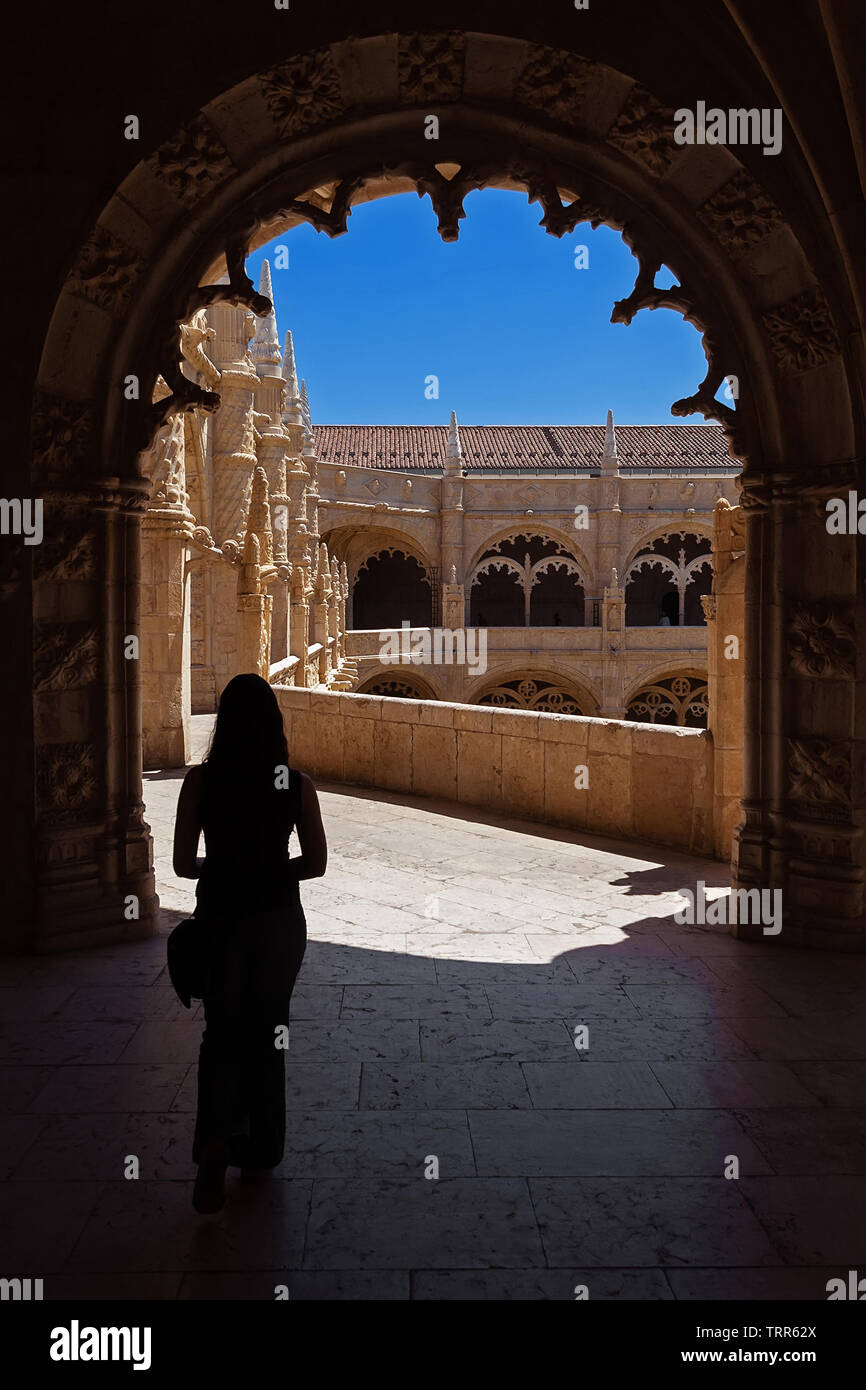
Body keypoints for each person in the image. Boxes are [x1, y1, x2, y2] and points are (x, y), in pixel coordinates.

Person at [172, 673, 327, 1214]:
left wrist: (225, 868)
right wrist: (268, 869)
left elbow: (181, 864)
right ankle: (261, 1149)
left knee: (222, 1033)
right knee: (270, 1031)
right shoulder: (294, 783)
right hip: (277, 921)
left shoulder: (201, 782)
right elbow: (315, 864)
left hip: (220, 915)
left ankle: (214, 1146)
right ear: (273, 724)